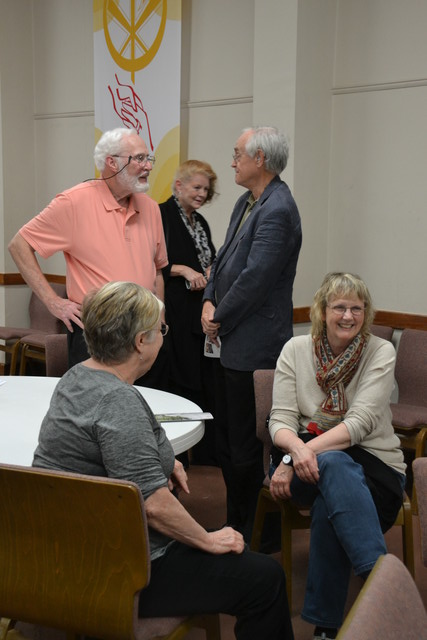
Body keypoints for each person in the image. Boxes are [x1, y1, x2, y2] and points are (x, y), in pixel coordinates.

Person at [32, 281, 294, 640]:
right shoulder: (117, 402)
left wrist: (163, 459)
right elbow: (154, 507)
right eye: (160, 330)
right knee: (265, 578)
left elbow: (128, 438)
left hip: (60, 551)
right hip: (116, 568)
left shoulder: (76, 378)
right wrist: (207, 539)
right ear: (140, 342)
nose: (162, 337)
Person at [268, 272, 406, 640]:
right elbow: (279, 419)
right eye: (339, 307)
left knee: (331, 483)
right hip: (300, 459)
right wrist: (292, 454)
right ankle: (381, 585)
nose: (348, 316)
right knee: (332, 467)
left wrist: (293, 458)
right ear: (322, 311)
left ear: (366, 313)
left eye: (356, 308)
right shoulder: (294, 351)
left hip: (373, 465)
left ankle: (326, 628)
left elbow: (359, 424)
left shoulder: (381, 351)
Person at [201, 126, 302, 541]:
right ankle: (237, 520)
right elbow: (223, 259)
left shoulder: (278, 208)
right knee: (230, 439)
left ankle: (255, 531)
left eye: (238, 154)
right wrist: (208, 298)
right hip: (232, 337)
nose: (232, 162)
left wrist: (218, 315)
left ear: (260, 159)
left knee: (249, 444)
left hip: (256, 345)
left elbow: (255, 279)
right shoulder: (248, 200)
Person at [8, 127, 168, 387]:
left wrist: (159, 317)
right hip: (97, 331)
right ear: (111, 162)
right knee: (95, 412)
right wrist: (53, 303)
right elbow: (19, 245)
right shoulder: (74, 202)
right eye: (139, 158)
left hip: (146, 331)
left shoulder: (150, 208)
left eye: (149, 158)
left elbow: (157, 269)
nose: (148, 166)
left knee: (144, 409)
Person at [160, 160, 217, 464]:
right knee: (177, 379)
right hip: (174, 314)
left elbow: (213, 259)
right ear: (179, 185)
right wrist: (182, 270)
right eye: (197, 187)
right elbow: (150, 260)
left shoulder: (202, 222)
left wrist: (209, 272)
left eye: (206, 189)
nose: (202, 194)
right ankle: (176, 452)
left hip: (201, 312)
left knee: (201, 380)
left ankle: (201, 451)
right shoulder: (161, 215)